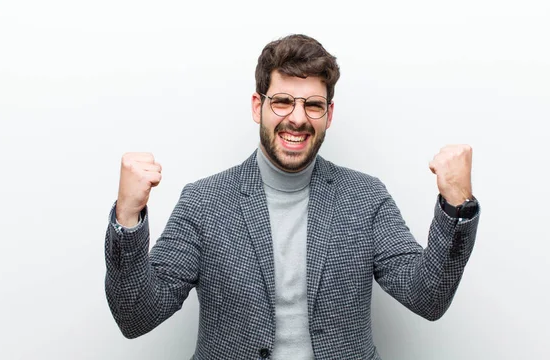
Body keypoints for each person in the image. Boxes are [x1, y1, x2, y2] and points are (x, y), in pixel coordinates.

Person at [104, 34, 480, 360]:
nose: (298, 118)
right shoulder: (203, 203)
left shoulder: (366, 198)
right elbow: (136, 315)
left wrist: (455, 206)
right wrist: (128, 217)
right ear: (258, 107)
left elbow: (427, 296)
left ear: (328, 114)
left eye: (312, 105)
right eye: (283, 101)